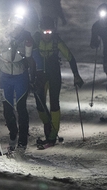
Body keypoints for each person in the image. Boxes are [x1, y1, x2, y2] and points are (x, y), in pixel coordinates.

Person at [0, 14, 40, 152]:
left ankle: (22, 141)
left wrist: (33, 78)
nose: (16, 29)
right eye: (14, 25)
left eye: (19, 26)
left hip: (20, 77)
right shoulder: (0, 35)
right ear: (9, 23)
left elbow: (32, 60)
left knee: (21, 108)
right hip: (4, 76)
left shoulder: (27, 37)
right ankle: (13, 133)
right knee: (7, 109)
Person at [33, 16, 84, 147]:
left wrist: (76, 75)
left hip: (54, 75)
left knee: (54, 103)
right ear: (40, 30)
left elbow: (70, 58)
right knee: (40, 104)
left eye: (50, 32)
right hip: (41, 76)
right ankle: (48, 124)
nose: (47, 35)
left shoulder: (57, 41)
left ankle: (52, 136)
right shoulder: (36, 39)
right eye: (45, 32)